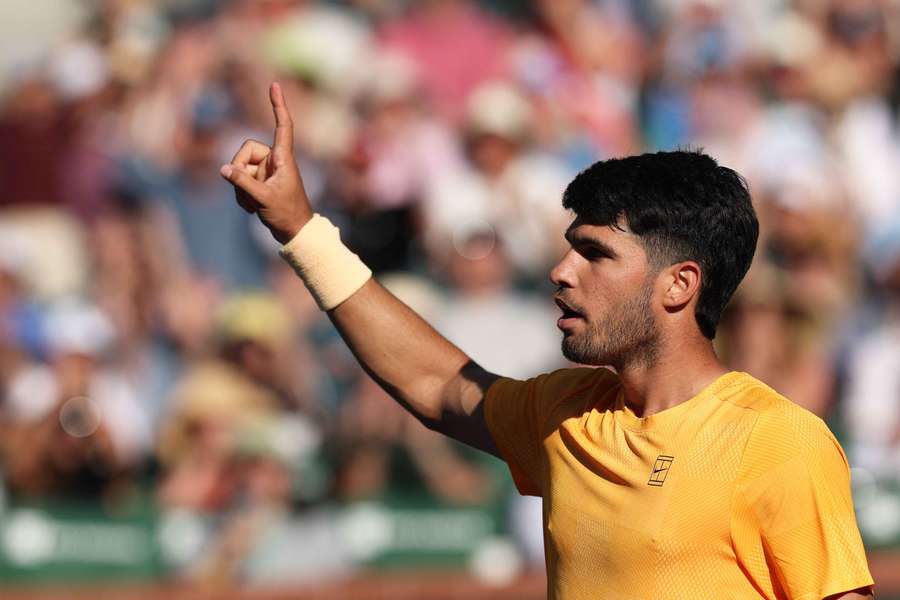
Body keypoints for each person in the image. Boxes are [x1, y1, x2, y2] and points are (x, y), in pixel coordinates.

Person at [219, 83, 875, 600]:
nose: (562, 272)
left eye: (595, 254)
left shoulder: (778, 442)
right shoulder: (570, 415)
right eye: (568, 251)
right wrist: (301, 230)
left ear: (678, 286)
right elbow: (435, 382)